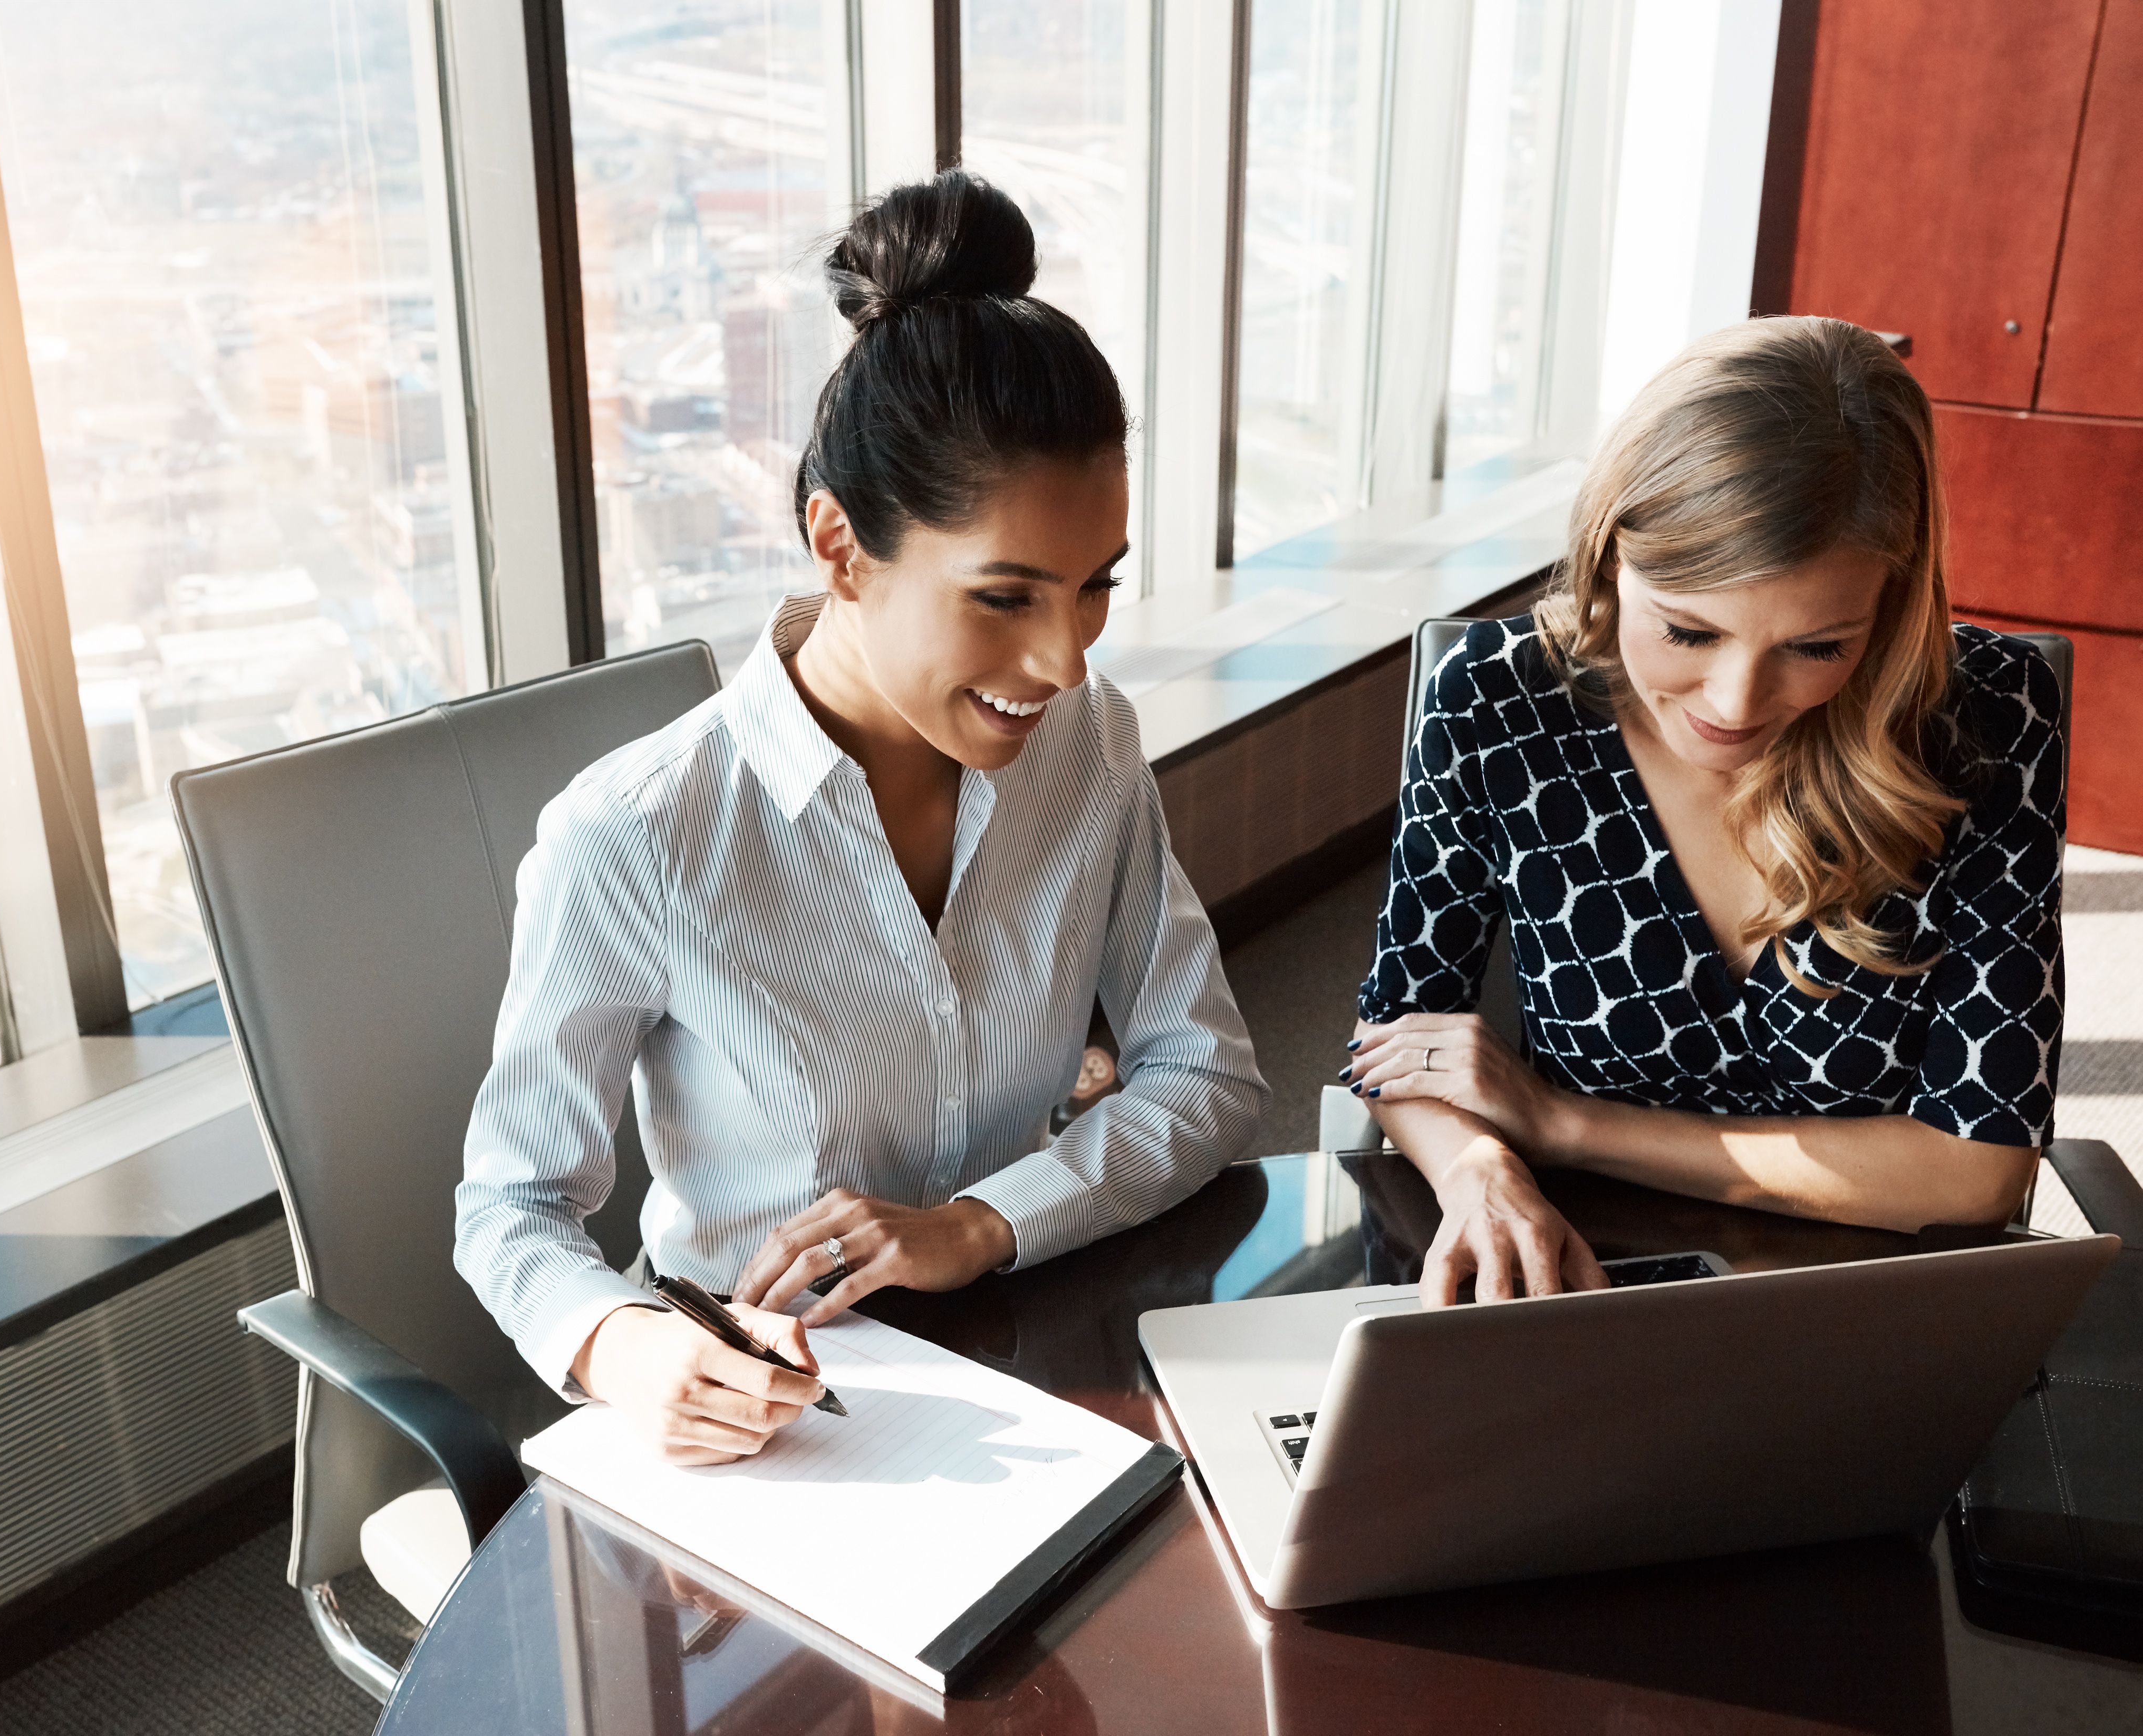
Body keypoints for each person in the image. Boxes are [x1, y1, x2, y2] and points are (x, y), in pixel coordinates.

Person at [454, 171, 1269, 1462]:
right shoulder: (638, 838)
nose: (1063, 660)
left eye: (1095, 587)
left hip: (1045, 1348)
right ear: (839, 546)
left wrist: (984, 1223)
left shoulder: (1090, 740)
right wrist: (628, 1345)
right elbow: (514, 1205)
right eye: (1005, 596)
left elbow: (1207, 1070)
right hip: (783, 1419)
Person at [1344, 316, 2063, 1305]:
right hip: (1573, 1278)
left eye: (1817, 647)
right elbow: (1402, 1033)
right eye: (1688, 630)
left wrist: (1563, 1126)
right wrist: (1479, 1166)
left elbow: (1977, 1173)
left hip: (1871, 1301)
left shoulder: (1986, 716)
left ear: (1888, 609)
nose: (1733, 704)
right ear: (1608, 559)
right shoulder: (1498, 700)